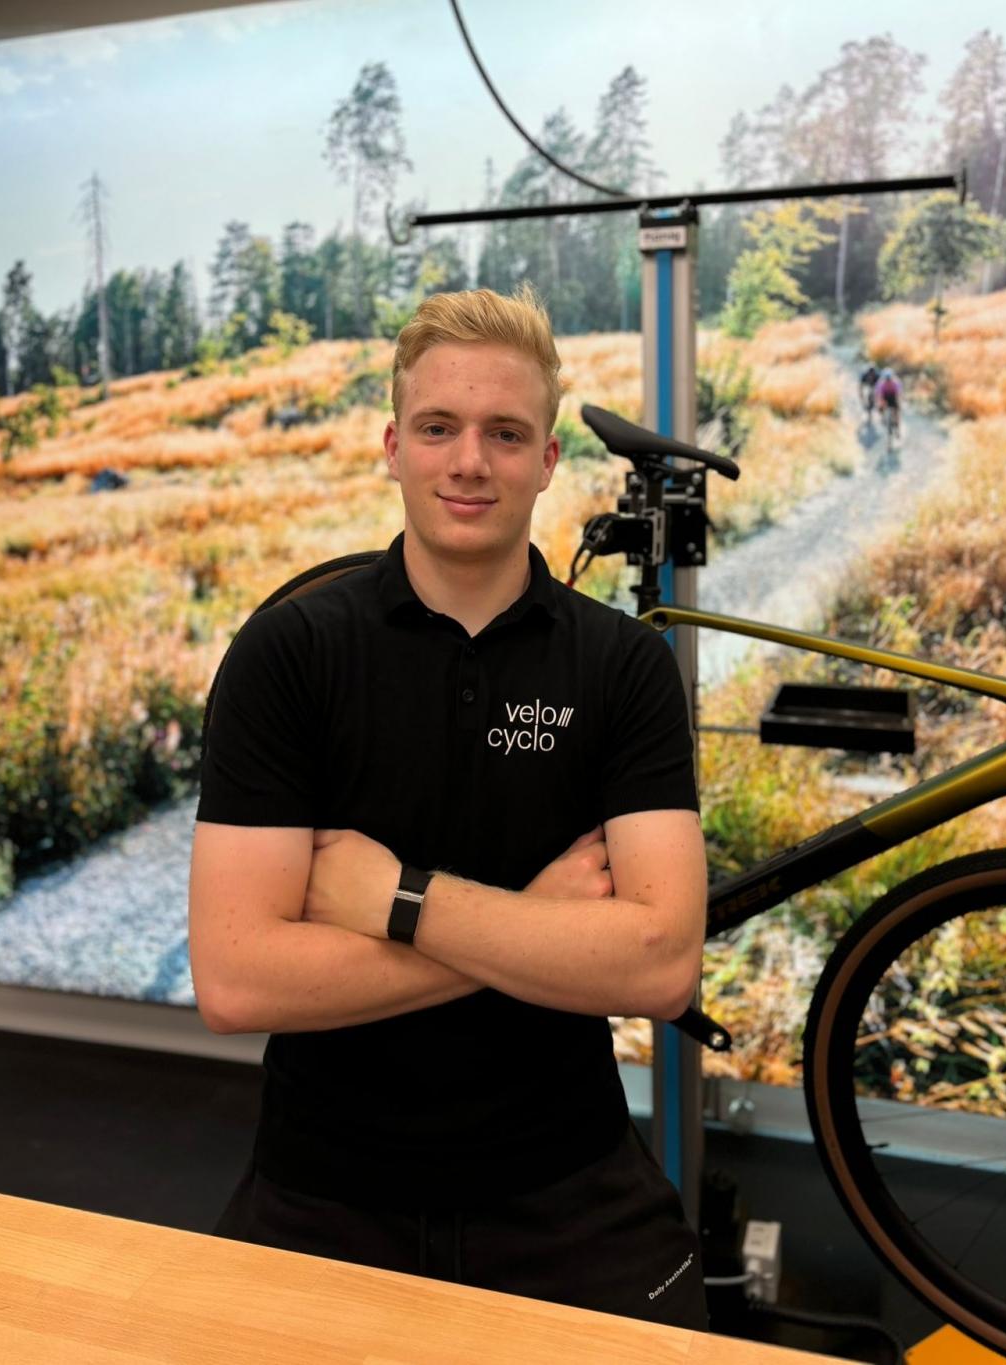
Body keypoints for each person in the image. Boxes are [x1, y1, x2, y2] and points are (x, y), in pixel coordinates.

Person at [189, 285, 710, 1331]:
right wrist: (536, 923)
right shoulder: (290, 655)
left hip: (571, 1187)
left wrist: (400, 899)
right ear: (394, 447)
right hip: (322, 1191)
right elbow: (238, 979)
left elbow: (659, 967)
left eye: (505, 434)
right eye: (438, 428)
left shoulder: (623, 668)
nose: (470, 461)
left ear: (547, 460)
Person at [875, 367, 902, 436]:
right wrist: (880, 403)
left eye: (889, 379)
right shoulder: (881, 384)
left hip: (893, 396)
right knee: (881, 406)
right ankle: (883, 417)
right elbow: (879, 395)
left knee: (896, 410)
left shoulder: (896, 383)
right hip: (885, 396)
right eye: (886, 379)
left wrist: (898, 402)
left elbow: (899, 394)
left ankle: (897, 427)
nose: (888, 381)